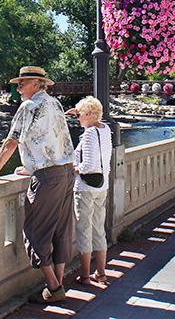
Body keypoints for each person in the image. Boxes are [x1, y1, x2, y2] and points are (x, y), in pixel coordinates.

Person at [0, 66, 75, 303]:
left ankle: (53, 288)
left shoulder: (29, 106)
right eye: (18, 84)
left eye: (22, 84)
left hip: (48, 178)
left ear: (36, 84)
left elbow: (11, 142)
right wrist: (31, 166)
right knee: (61, 230)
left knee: (35, 231)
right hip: (66, 172)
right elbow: (52, 139)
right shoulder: (55, 104)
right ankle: (59, 283)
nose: (18, 88)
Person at [65, 97, 112, 286]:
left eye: (80, 115)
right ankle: (101, 273)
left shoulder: (90, 133)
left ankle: (85, 275)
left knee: (84, 230)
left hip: (85, 188)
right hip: (101, 186)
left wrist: (74, 169)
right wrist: (75, 111)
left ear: (88, 114)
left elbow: (88, 165)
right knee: (98, 229)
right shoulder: (105, 129)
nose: (78, 119)